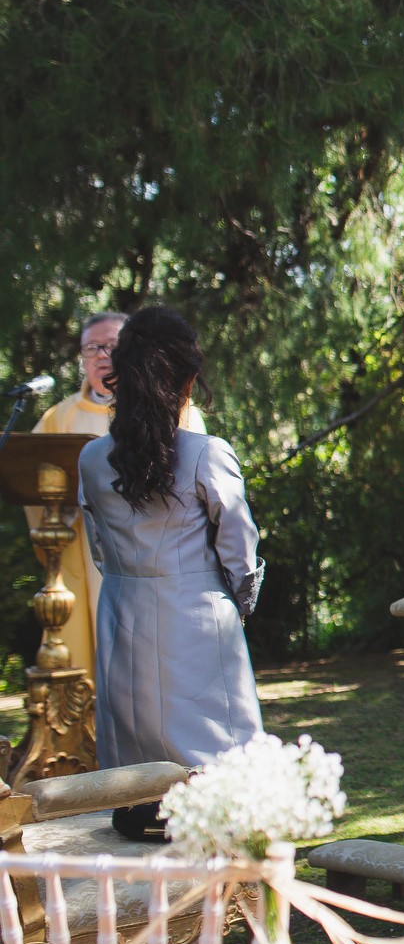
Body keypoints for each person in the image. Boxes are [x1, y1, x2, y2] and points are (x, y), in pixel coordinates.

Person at [76, 307, 261, 836]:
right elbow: (240, 549)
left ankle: (137, 810)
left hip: (121, 608)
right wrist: (236, 606)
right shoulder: (206, 454)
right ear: (184, 379)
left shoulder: (91, 458)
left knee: (136, 737)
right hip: (196, 614)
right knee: (210, 750)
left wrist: (128, 582)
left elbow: (98, 549)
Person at [30, 311, 206, 685]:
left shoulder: (175, 410)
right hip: (80, 551)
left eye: (112, 345)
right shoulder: (57, 419)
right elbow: (29, 482)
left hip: (155, 557)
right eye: (92, 347)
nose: (102, 355)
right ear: (81, 356)